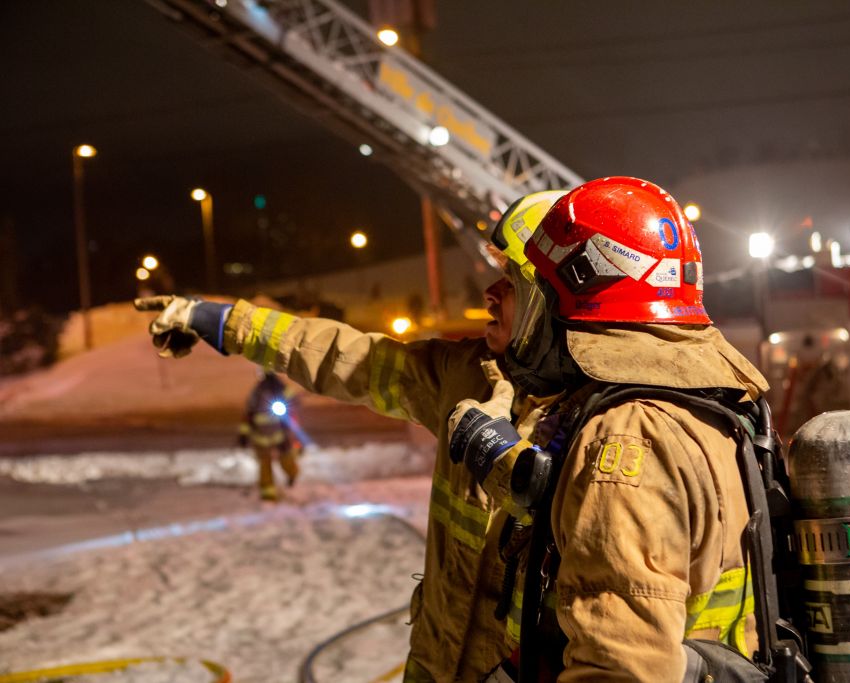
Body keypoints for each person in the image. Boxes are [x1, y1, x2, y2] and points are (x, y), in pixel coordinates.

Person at [135, 191, 567, 683]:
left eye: (511, 282)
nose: (489, 293)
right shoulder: (466, 377)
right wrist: (221, 322)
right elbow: (343, 356)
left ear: (554, 300)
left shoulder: (610, 428)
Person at [445, 176, 771, 681]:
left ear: (580, 290)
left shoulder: (628, 437)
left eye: (533, 292)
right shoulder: (715, 404)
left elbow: (621, 668)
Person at [238, 370, 303, 501]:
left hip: (279, 437)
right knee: (265, 465)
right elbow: (248, 414)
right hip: (261, 438)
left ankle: (292, 476)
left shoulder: (280, 388)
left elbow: (294, 402)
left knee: (286, 461)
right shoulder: (257, 392)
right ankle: (268, 495)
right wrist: (243, 435)